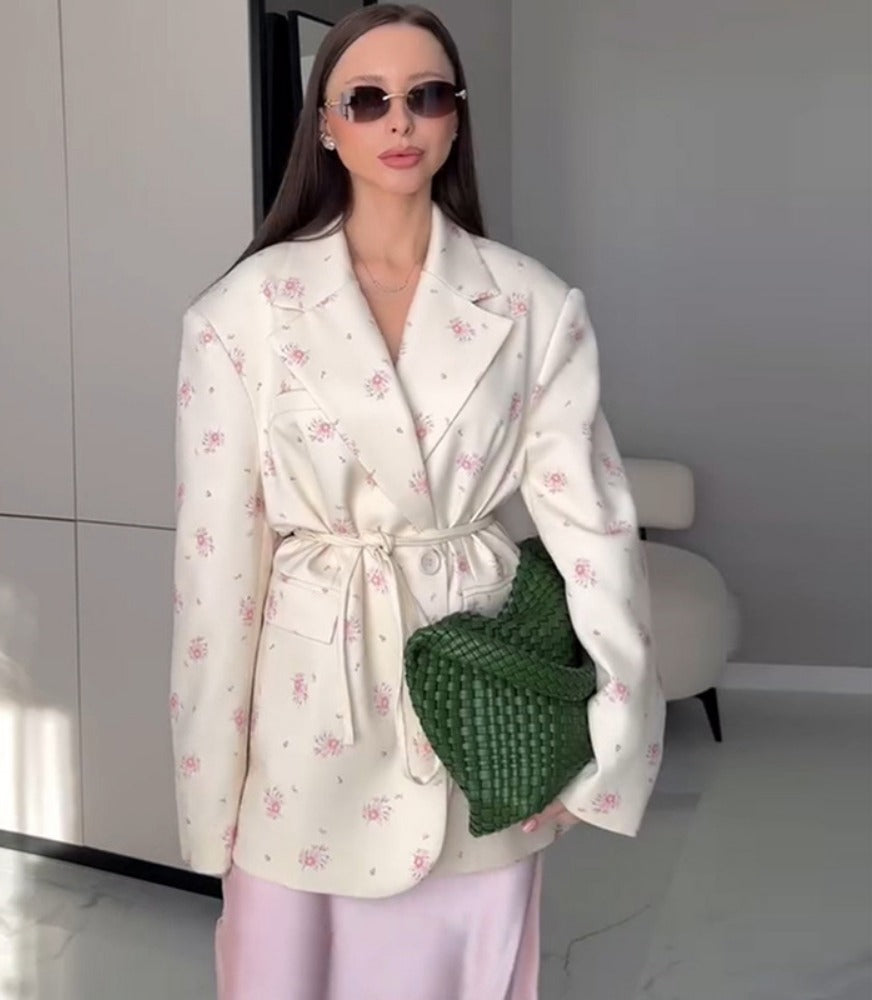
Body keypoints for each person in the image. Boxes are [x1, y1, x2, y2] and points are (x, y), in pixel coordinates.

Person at [169, 4, 666, 997]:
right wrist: (208, 792)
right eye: (367, 99)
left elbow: (597, 535)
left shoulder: (530, 304)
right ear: (326, 125)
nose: (399, 121)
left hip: (478, 703)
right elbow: (214, 572)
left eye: (426, 95)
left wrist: (602, 747)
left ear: (454, 118)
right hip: (306, 714)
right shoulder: (242, 313)